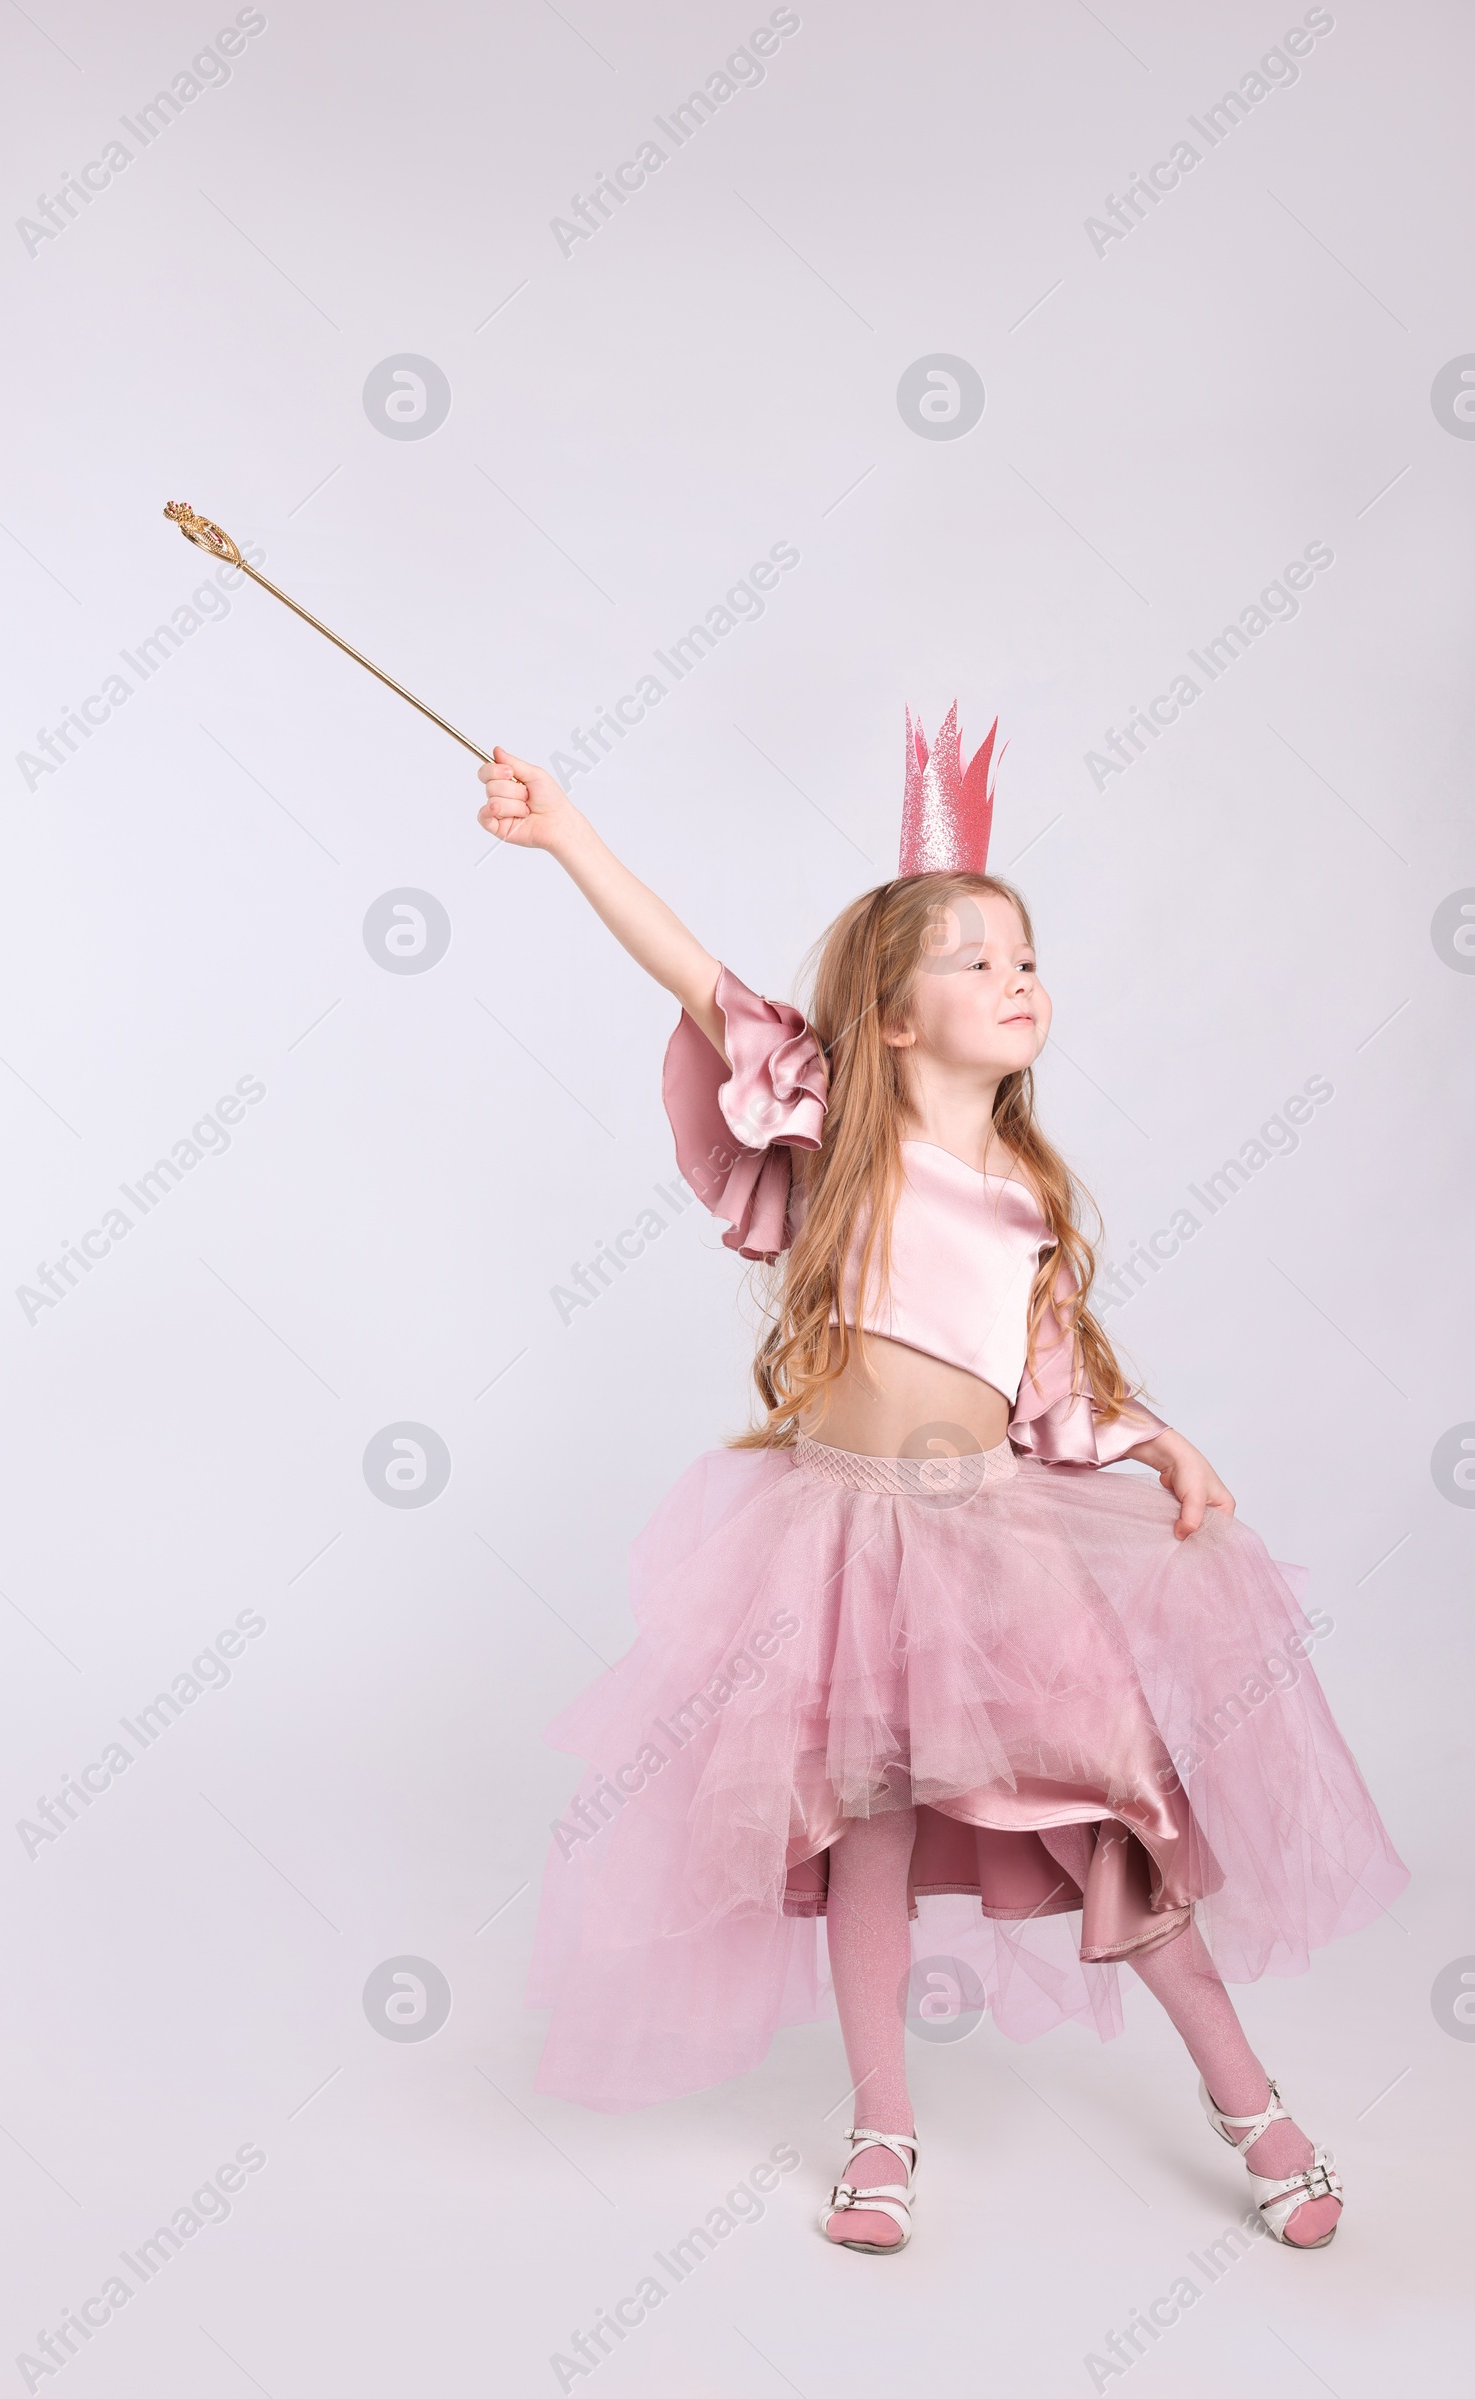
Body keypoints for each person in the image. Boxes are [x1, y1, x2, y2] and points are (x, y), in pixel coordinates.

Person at [477, 708, 1406, 2255]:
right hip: (832, 1538)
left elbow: (1044, 1386)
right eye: (973, 959)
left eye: (1024, 955)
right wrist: (567, 831)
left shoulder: (1031, 1192)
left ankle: (1250, 2102)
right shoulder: (838, 1128)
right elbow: (692, 971)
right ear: (890, 1022)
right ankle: (882, 2130)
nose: (1015, 977)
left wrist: (1154, 1435)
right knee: (868, 1827)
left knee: (1114, 1812)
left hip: (990, 1543)